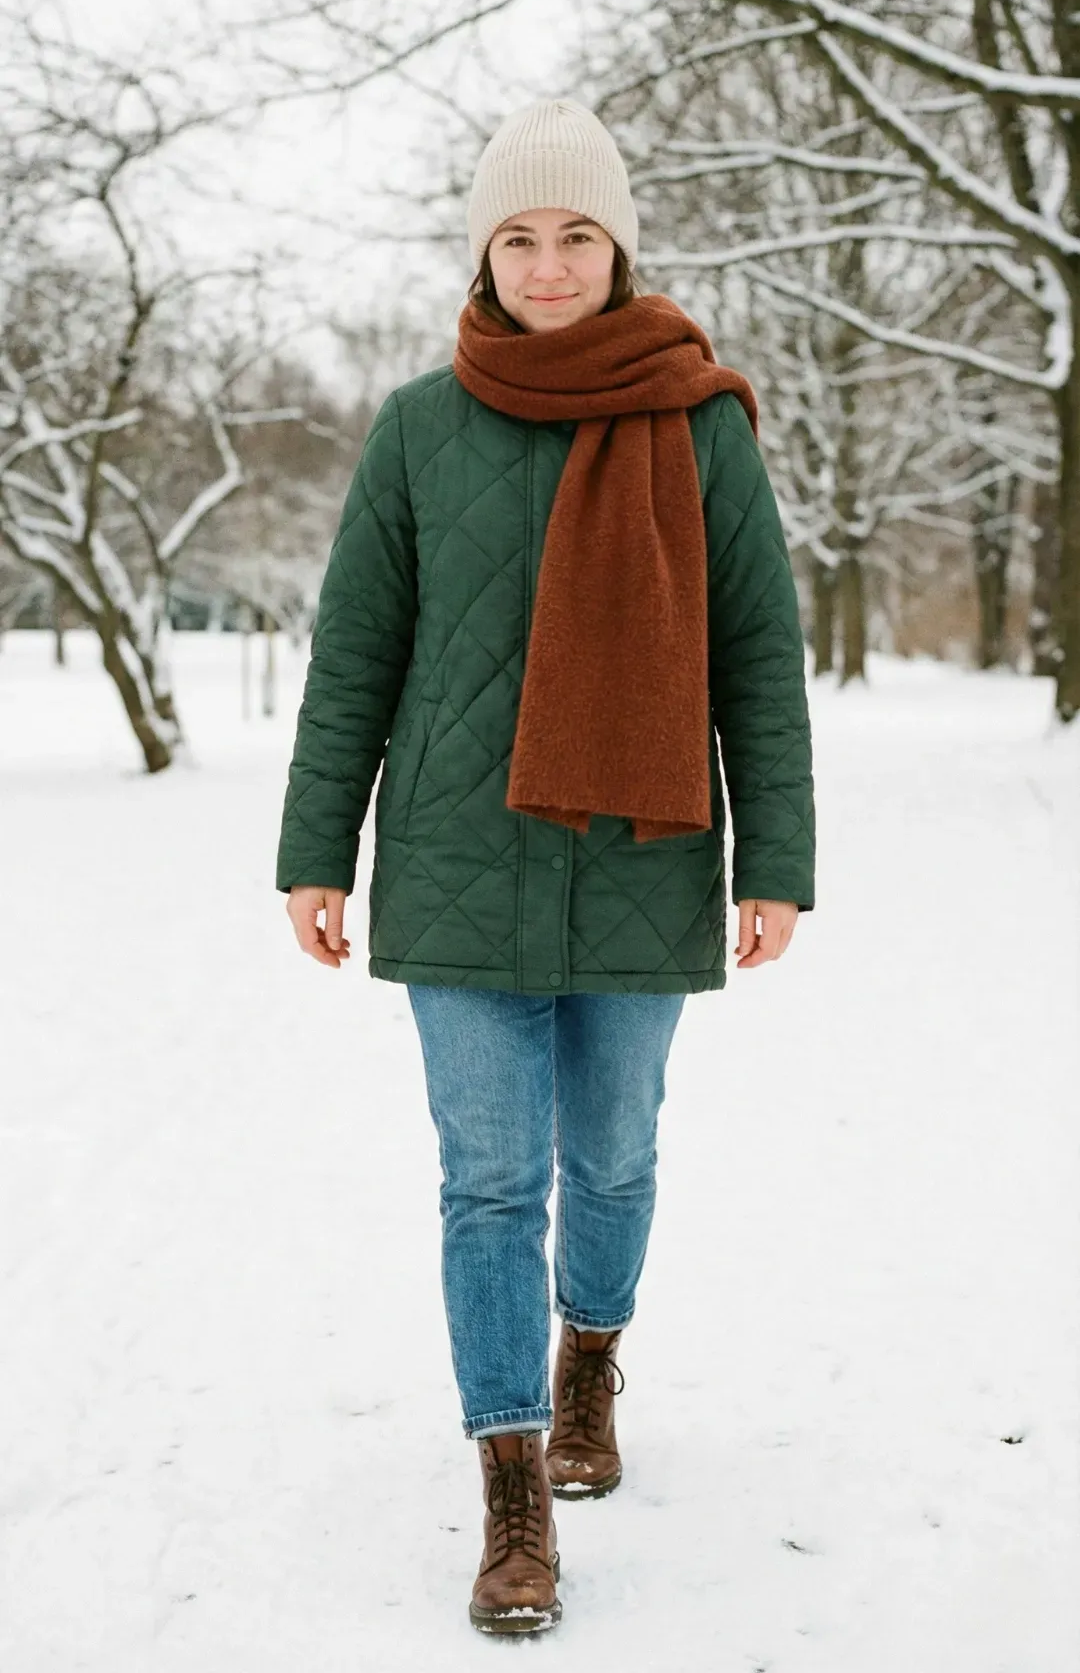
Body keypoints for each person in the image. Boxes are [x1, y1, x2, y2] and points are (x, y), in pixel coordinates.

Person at [275, 96, 815, 1636]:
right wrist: (318, 847)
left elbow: (757, 658)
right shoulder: (415, 427)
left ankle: (593, 1354)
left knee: (618, 1157)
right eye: (520, 236)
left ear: (619, 243)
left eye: (577, 233)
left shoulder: (699, 421)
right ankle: (512, 1482)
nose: (551, 262)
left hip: (645, 858)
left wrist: (778, 857)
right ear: (484, 252)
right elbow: (353, 659)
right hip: (457, 864)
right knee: (490, 1182)